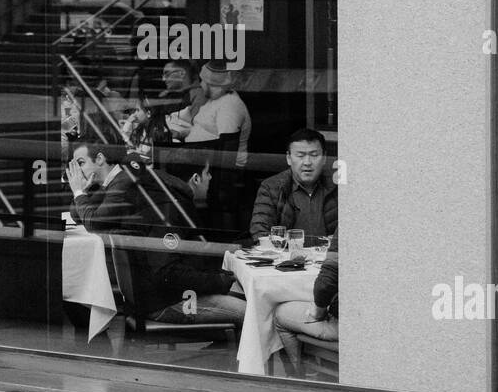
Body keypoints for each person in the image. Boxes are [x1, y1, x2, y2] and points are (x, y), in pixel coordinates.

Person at [65, 142, 244, 328]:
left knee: (249, 301)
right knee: (254, 314)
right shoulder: (163, 203)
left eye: (80, 163)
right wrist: (220, 281)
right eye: (208, 173)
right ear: (196, 178)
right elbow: (167, 272)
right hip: (167, 301)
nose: (211, 177)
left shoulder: (138, 187)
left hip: (158, 295)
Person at [250, 128, 339, 245]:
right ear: (289, 158)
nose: (307, 162)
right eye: (300, 156)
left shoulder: (337, 186)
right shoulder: (271, 187)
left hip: (328, 259)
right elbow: (260, 232)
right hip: (286, 260)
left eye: (314, 155)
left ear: (324, 158)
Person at [273, 254, 338, 375]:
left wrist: (318, 312)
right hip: (375, 330)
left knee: (280, 313)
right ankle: (320, 369)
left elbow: (324, 285)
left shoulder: (342, 237)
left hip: (344, 329)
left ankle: (301, 375)